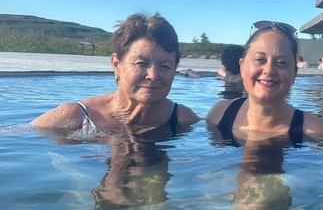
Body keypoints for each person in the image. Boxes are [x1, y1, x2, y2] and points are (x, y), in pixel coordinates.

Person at [30, 13, 200, 134]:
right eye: (141, 63)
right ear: (116, 64)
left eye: (165, 66)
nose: (153, 75)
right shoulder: (76, 116)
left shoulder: (182, 118)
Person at [206, 21, 323, 139]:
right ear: (242, 67)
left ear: (294, 73)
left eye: (281, 62)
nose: (269, 70)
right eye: (259, 60)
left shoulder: (319, 132)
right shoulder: (218, 115)